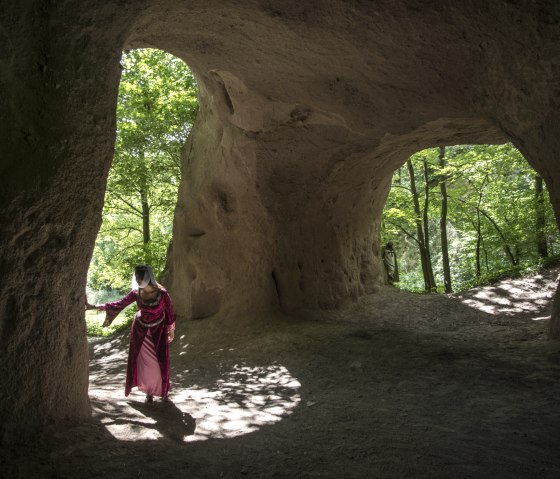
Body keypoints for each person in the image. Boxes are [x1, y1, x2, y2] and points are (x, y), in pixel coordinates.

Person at [86, 265, 176, 403]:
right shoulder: (136, 293)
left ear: (149, 278)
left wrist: (171, 329)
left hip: (158, 331)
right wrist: (95, 307)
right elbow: (119, 304)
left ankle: (161, 389)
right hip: (140, 332)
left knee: (158, 364)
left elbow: (169, 312)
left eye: (141, 279)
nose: (139, 281)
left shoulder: (162, 293)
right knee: (144, 364)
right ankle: (148, 393)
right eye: (137, 279)